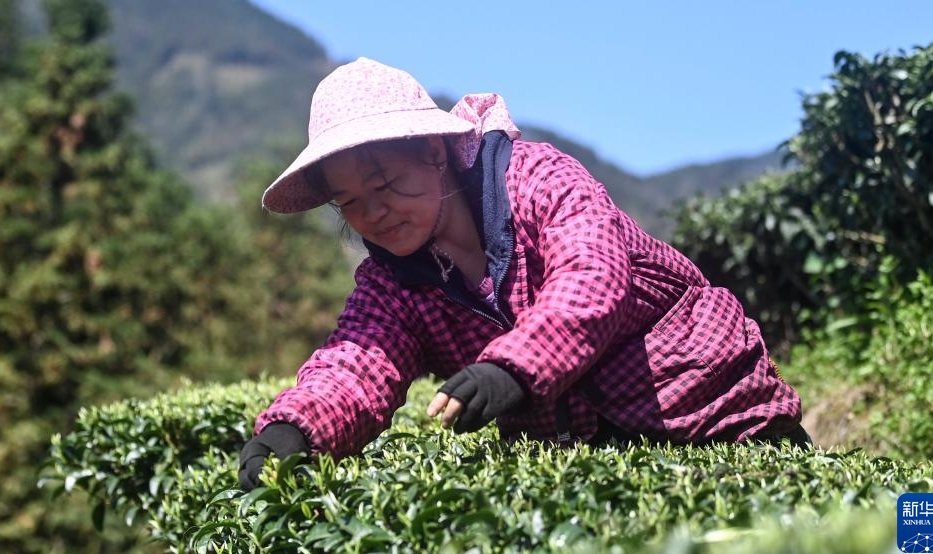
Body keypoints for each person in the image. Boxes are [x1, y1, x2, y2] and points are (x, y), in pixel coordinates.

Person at [238, 57, 809, 491]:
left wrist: (512, 367)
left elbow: (592, 276)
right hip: (595, 467)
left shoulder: (539, 182)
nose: (373, 213)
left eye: (384, 183)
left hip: (717, 415)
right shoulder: (390, 285)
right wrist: (296, 429)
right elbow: (356, 364)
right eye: (350, 202)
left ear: (434, 153)